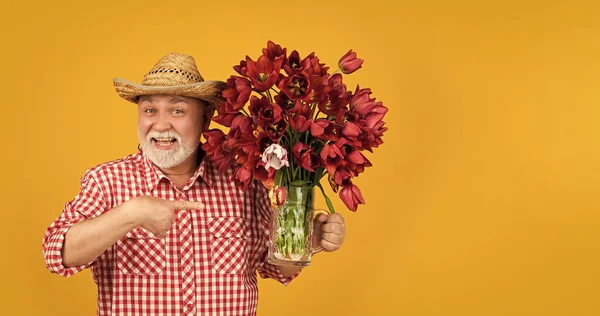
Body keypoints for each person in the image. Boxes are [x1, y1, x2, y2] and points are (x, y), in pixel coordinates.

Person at [42, 53, 346, 315]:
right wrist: (132, 213)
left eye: (177, 110)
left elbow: (276, 267)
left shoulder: (241, 182)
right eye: (149, 110)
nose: (160, 124)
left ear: (205, 119)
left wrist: (309, 239)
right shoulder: (107, 181)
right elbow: (58, 253)